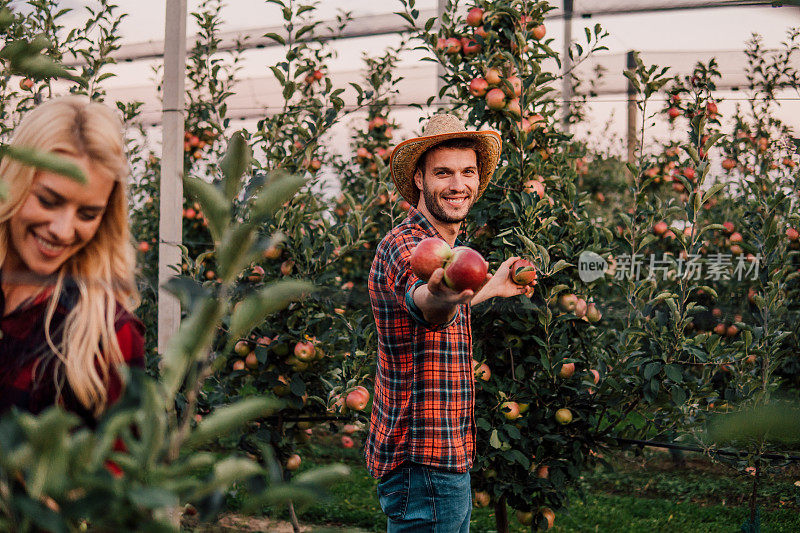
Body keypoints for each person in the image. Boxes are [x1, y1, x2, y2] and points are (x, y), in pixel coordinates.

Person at [366, 113, 531, 532]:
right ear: (420, 180)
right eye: (443, 172)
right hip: (424, 460)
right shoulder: (409, 246)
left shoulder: (447, 254)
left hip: (439, 455)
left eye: (467, 172)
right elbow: (424, 302)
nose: (458, 185)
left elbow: (443, 309)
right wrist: (439, 295)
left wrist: (488, 287)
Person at [0, 96, 143, 426]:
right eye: (49, 201)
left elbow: (121, 469)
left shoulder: (107, 334)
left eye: (88, 213)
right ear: (14, 183)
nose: (63, 231)